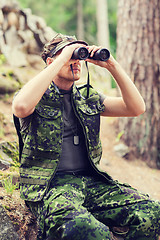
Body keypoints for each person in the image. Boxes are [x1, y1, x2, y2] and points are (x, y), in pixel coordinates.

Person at [12, 33, 160, 240]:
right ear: (51, 61)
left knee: (152, 212)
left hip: (91, 182)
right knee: (88, 230)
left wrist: (111, 65)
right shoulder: (35, 97)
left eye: (78, 56)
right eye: (71, 55)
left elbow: (136, 107)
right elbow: (20, 107)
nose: (76, 62)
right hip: (50, 187)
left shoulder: (88, 98)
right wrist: (63, 58)